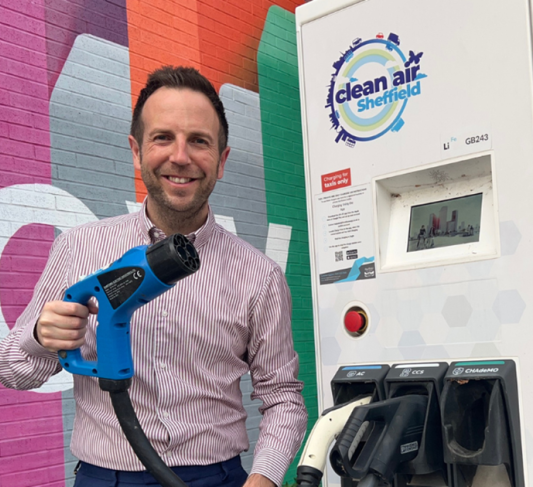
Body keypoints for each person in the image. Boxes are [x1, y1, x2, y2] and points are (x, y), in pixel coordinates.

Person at [0, 66, 307, 487]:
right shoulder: (78, 248)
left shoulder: (260, 275)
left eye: (199, 141)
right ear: (136, 150)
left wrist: (265, 478)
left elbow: (283, 398)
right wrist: (41, 335)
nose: (180, 157)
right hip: (104, 479)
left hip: (216, 478)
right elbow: (15, 370)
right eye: (163, 137)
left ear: (222, 159)